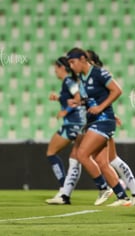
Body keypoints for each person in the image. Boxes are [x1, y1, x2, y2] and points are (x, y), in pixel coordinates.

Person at [66, 47, 131, 207]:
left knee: (82, 154)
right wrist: (77, 102)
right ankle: (122, 196)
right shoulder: (82, 78)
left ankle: (103, 187)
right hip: (94, 121)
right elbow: (86, 99)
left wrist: (101, 107)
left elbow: (117, 90)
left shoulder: (98, 73)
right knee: (102, 162)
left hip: (103, 120)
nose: (72, 67)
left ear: (82, 59)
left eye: (73, 62)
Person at [87, 50, 135, 205]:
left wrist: (110, 115)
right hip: (99, 120)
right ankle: (132, 192)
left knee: (110, 160)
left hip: (102, 121)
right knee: (111, 160)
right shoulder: (90, 78)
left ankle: (130, 192)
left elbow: (108, 97)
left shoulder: (99, 75)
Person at [45, 57, 86, 204]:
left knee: (51, 152)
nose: (55, 70)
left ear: (62, 67)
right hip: (78, 122)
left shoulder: (68, 81)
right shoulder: (68, 82)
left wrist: (65, 110)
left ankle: (63, 188)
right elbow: (73, 97)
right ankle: (115, 184)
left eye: (56, 67)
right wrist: (59, 98)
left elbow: (78, 97)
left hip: (72, 123)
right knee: (85, 157)